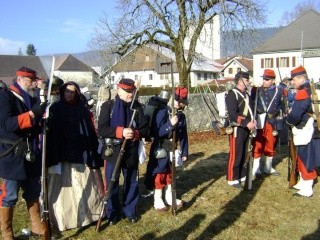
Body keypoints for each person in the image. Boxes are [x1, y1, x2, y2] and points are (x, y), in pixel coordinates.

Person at [46, 81, 104, 231]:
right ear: (62, 92)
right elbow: (51, 132)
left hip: (80, 154)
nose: (69, 94)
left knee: (84, 186)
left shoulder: (82, 110)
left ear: (77, 94)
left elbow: (89, 132)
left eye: (72, 92)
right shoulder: (55, 108)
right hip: (62, 154)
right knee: (61, 190)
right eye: (67, 91)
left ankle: (88, 216)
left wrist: (91, 151)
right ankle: (63, 219)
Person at [0, 67, 48, 239]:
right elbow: (7, 124)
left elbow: (36, 123)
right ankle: (7, 234)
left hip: (31, 153)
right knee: (9, 196)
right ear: (20, 79)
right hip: (12, 155)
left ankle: (37, 227)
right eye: (31, 80)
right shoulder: (6, 97)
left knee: (33, 192)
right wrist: (32, 114)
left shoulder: (33, 98)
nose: (35, 83)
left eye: (35, 79)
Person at [97, 78, 148, 224]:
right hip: (112, 151)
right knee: (112, 183)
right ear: (119, 90)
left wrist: (135, 133)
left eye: (131, 91)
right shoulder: (109, 106)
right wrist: (120, 132)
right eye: (126, 91)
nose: (130, 94)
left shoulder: (137, 107)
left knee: (131, 182)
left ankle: (130, 211)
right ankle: (113, 213)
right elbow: (101, 129)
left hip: (130, 150)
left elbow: (144, 128)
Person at [144, 87, 188, 211]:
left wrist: (184, 151)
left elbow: (183, 135)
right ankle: (158, 200)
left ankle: (170, 197)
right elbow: (157, 131)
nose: (181, 104)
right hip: (161, 147)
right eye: (179, 101)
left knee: (171, 174)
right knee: (160, 174)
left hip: (173, 148)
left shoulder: (181, 116)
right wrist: (169, 125)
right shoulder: (163, 111)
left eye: (182, 102)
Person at [286, 66, 320, 197]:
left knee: (306, 157)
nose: (292, 82)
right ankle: (303, 181)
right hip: (309, 127)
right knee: (301, 155)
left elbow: (296, 114)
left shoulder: (302, 92)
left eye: (294, 79)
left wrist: (288, 121)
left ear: (300, 78)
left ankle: (307, 187)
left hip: (304, 128)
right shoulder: (309, 89)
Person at [251, 69, 284, 178]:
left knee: (270, 143)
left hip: (271, 121)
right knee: (258, 144)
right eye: (264, 79)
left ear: (273, 80)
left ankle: (268, 167)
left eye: (267, 79)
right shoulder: (256, 90)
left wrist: (278, 121)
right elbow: (252, 105)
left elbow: (280, 107)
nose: (264, 81)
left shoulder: (278, 91)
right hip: (259, 120)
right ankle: (256, 168)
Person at [225, 71, 256, 189]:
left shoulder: (247, 94)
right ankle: (232, 178)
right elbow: (233, 114)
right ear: (240, 81)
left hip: (247, 128)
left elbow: (250, 110)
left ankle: (241, 175)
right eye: (246, 80)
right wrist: (246, 122)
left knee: (244, 152)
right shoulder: (232, 94)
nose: (248, 82)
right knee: (236, 153)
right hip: (237, 128)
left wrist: (253, 120)